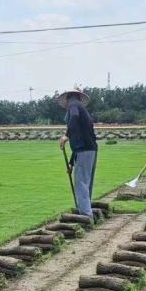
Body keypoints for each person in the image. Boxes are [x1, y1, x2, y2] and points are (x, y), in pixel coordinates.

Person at [58, 87, 98, 219]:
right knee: (86, 183)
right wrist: (71, 162)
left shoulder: (73, 105)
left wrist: (66, 135)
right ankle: (86, 211)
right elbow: (79, 140)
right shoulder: (81, 108)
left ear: (68, 98)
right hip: (90, 149)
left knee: (81, 183)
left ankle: (86, 216)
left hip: (84, 150)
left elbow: (74, 118)